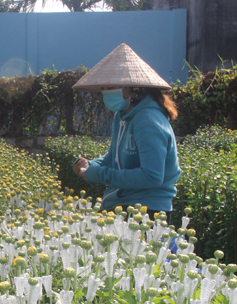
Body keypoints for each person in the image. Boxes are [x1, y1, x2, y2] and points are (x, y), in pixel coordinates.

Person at [71, 43, 181, 222]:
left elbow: (151, 176)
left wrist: (98, 174)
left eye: (110, 88)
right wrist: (90, 165)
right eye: (104, 89)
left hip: (148, 210)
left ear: (132, 89)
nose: (105, 93)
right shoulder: (122, 115)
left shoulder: (148, 120)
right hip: (122, 202)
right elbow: (114, 158)